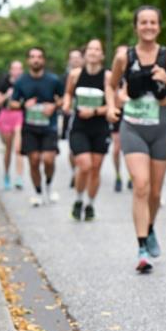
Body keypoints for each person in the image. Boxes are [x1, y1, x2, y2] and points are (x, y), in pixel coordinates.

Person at [108, 6, 166, 273]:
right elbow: (112, 84)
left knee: (154, 192)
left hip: (162, 127)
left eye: (153, 22)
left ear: (159, 27)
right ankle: (142, 249)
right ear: (136, 27)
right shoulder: (124, 56)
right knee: (140, 185)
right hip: (133, 127)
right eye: (143, 22)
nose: (148, 26)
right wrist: (111, 105)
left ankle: (150, 227)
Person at [63, 39, 112, 221]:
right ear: (85, 54)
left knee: (95, 169)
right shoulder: (75, 74)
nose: (93, 52)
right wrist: (67, 104)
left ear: (102, 55)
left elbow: (112, 104)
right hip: (79, 127)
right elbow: (68, 93)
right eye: (90, 48)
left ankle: (90, 204)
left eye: (97, 49)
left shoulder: (108, 77)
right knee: (85, 165)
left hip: (100, 128)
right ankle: (78, 200)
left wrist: (94, 111)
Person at [9, 47, 63, 206]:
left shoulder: (53, 80)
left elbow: (64, 99)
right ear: (28, 61)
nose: (36, 60)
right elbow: (12, 103)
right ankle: (38, 192)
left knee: (48, 159)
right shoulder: (21, 81)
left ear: (43, 60)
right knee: (33, 160)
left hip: (49, 126)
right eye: (32, 57)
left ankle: (49, 185)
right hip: (30, 127)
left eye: (39, 56)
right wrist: (24, 104)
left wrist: (53, 106)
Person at [0, 60, 26, 190]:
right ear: (10, 70)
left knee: (19, 148)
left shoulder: (25, 83)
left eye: (19, 68)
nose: (17, 71)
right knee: (8, 149)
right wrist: (7, 95)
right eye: (14, 68)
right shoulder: (3, 83)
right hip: (5, 115)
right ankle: (6, 175)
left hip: (19, 115)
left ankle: (19, 177)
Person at [63, 48, 85, 181]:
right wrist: (66, 104)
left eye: (78, 57)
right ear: (69, 60)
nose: (76, 60)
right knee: (72, 148)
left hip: (90, 115)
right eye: (73, 57)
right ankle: (74, 172)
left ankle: (82, 171)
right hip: (71, 116)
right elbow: (62, 95)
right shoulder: (65, 77)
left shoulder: (89, 74)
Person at [109, 45, 129, 193]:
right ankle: (117, 175)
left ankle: (132, 176)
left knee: (131, 148)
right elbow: (114, 101)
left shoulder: (134, 73)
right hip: (118, 114)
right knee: (117, 148)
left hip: (133, 114)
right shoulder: (112, 76)